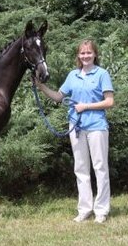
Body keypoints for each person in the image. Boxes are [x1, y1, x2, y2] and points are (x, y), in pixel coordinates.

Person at [35, 39, 114, 224]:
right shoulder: (73, 75)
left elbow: (109, 101)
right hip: (76, 127)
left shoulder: (102, 74)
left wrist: (86, 106)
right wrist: (40, 86)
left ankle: (101, 210)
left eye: (89, 53)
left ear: (95, 54)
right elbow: (57, 97)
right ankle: (85, 209)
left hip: (97, 127)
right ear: (78, 56)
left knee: (100, 168)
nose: (86, 56)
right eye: (82, 53)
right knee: (80, 169)